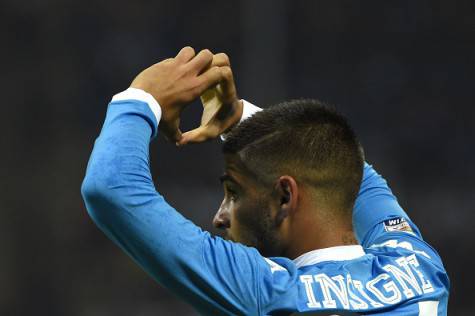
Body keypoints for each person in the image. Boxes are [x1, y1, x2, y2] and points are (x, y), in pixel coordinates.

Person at [81, 47, 449, 315]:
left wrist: (141, 97)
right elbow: (350, 171)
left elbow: (110, 189)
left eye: (234, 194)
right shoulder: (417, 267)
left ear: (285, 196)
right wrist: (239, 119)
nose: (219, 218)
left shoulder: (270, 293)